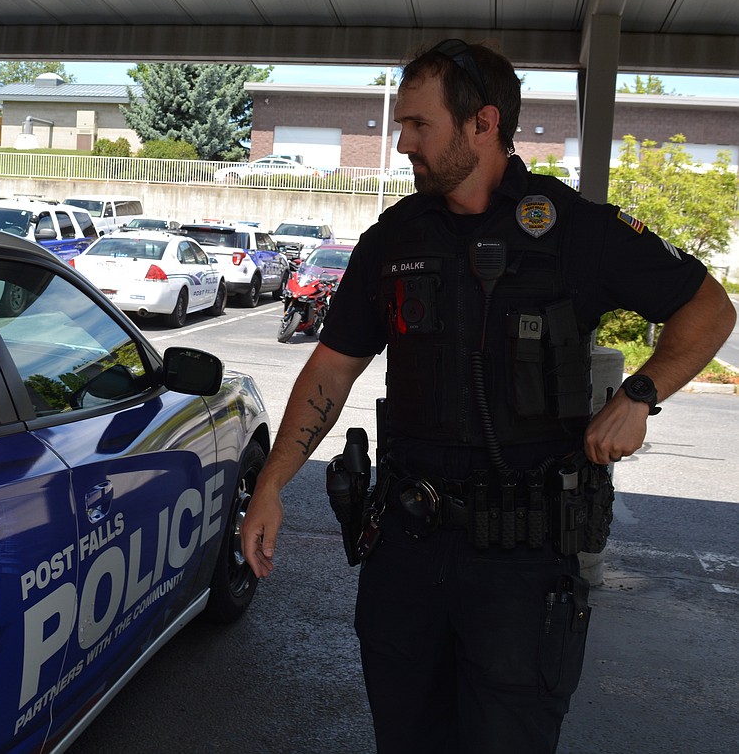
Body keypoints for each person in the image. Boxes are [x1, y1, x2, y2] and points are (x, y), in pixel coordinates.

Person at [241, 39, 737, 754]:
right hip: (406, 552)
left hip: (523, 568)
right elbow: (331, 368)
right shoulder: (394, 239)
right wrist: (273, 482)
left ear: (483, 123)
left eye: (419, 124)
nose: (401, 141)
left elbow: (710, 308)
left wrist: (640, 392)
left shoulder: (572, 231)